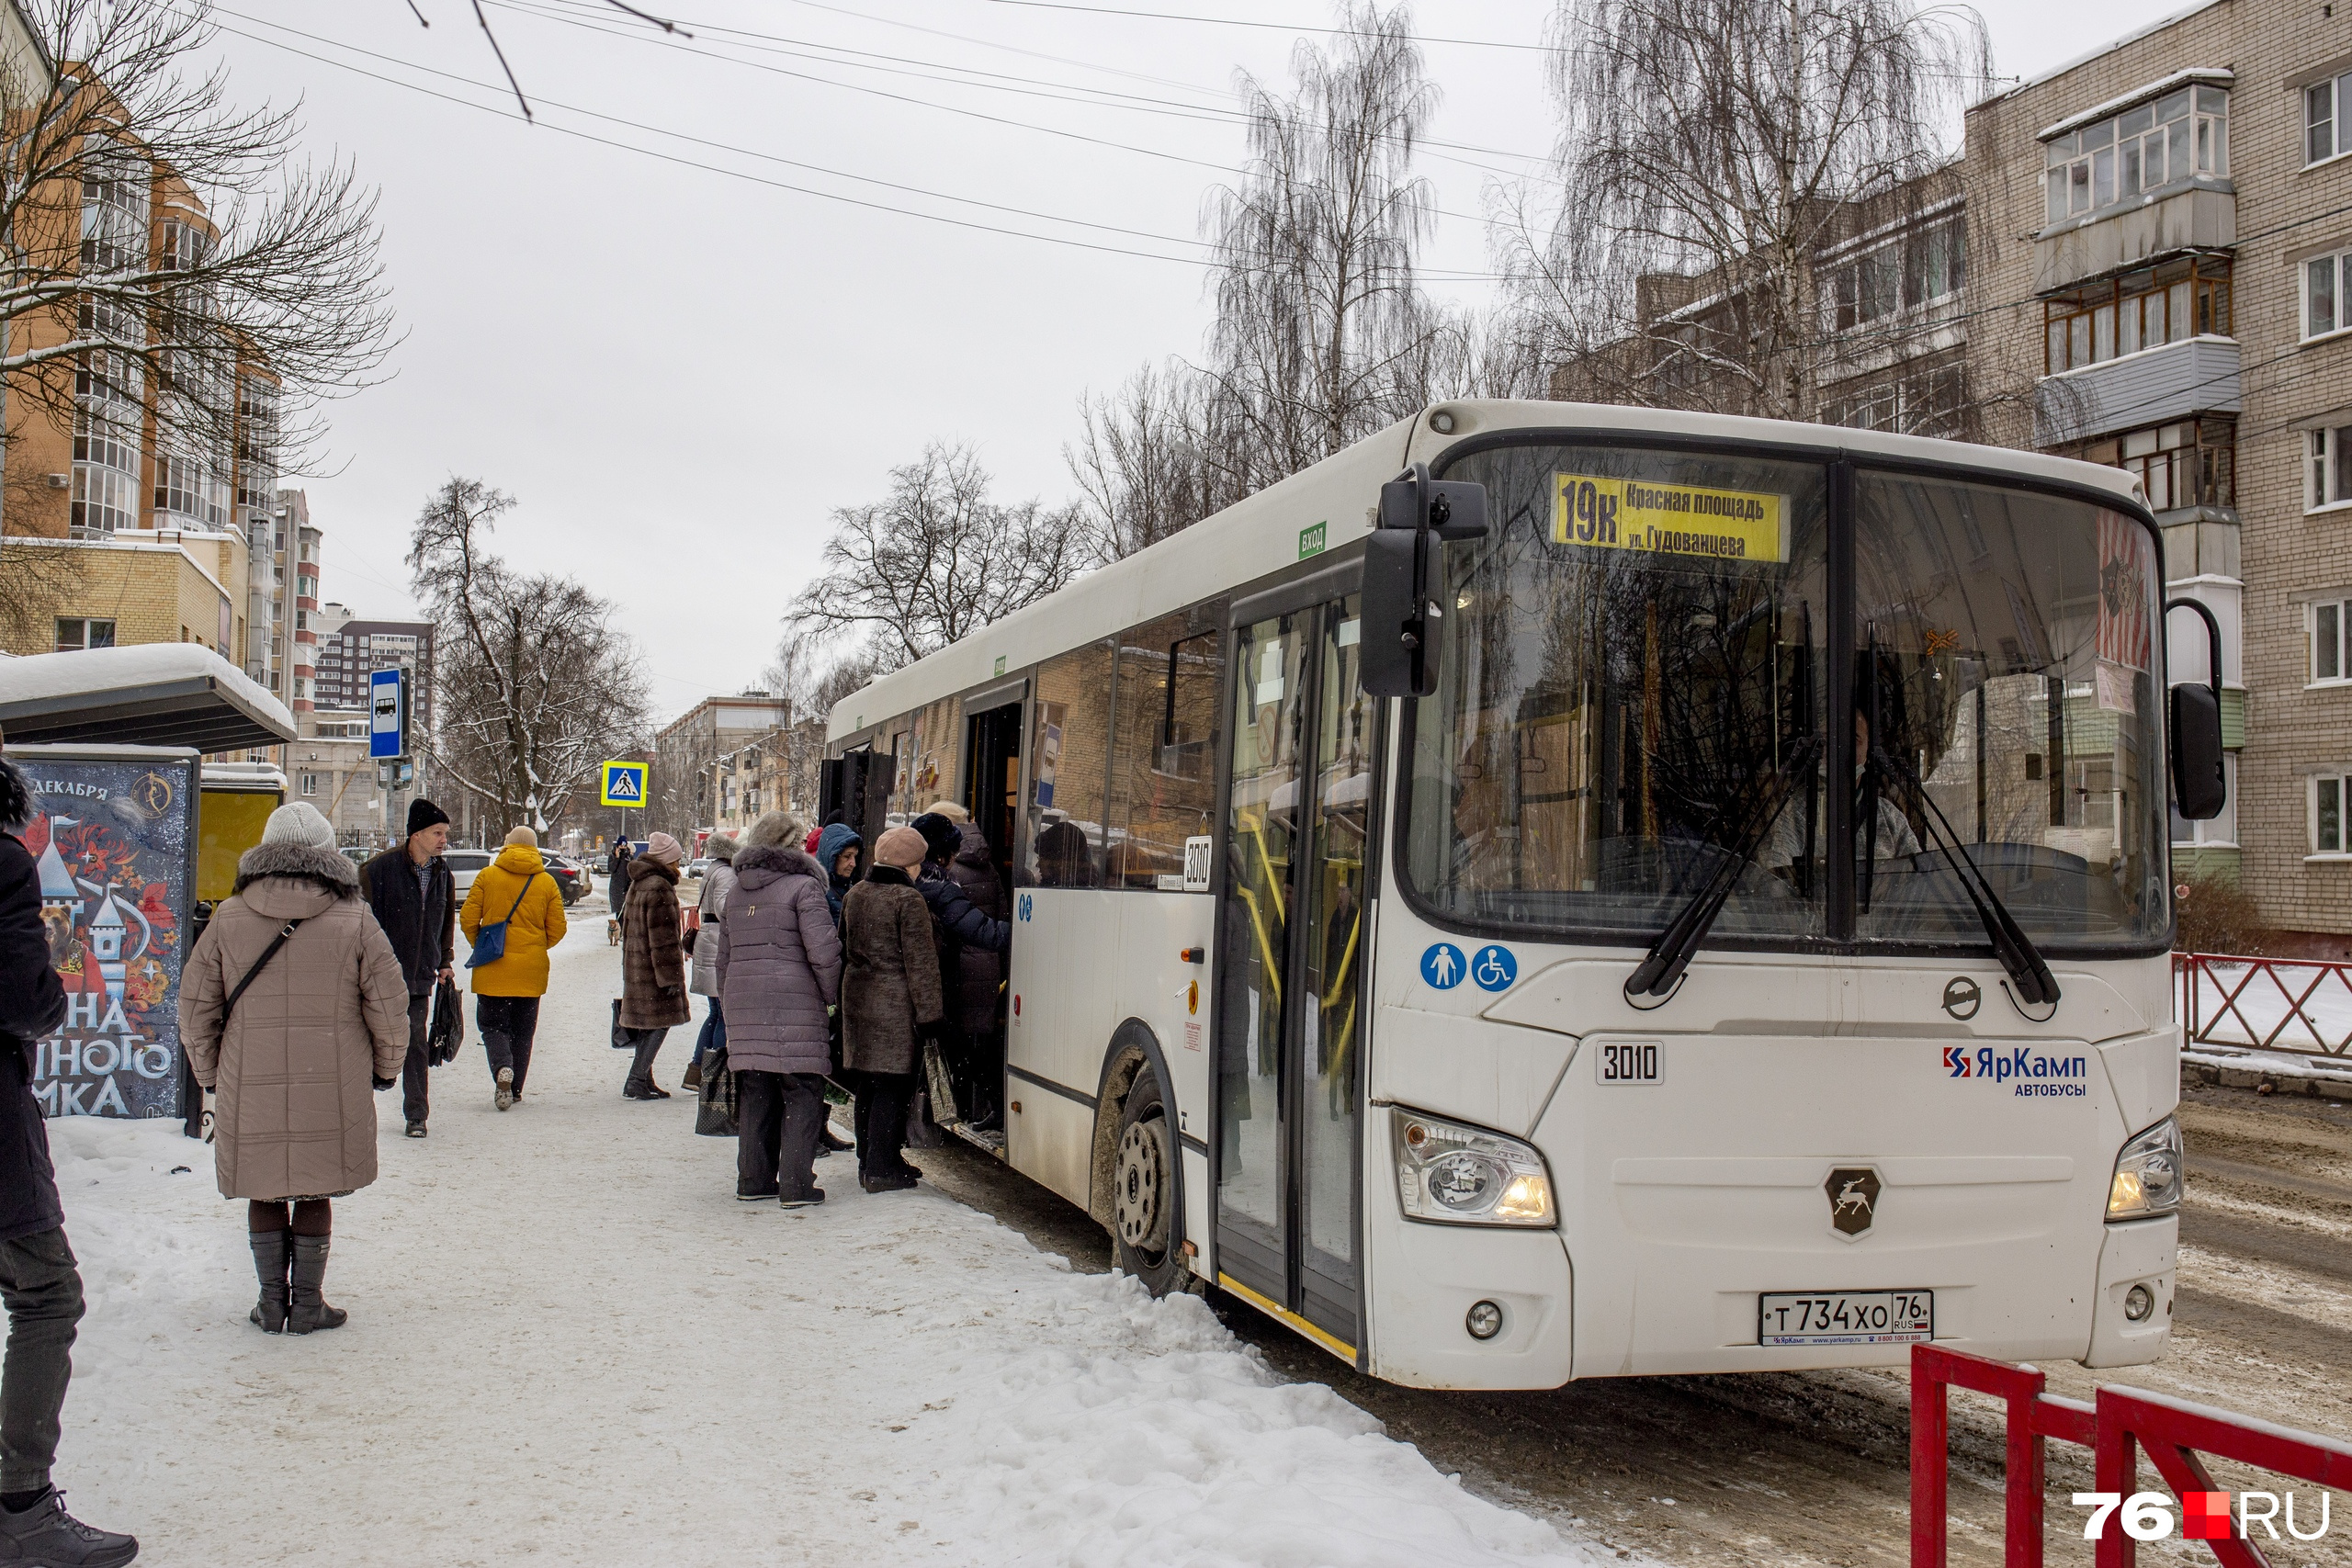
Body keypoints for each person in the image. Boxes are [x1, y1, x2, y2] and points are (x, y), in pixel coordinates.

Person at [180, 802, 409, 1341]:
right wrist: (385, 1068)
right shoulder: (355, 918)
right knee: (314, 1186)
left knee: (264, 1186)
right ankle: (308, 1305)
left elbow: (195, 1012)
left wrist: (213, 1075)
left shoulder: (228, 917)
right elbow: (390, 1007)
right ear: (329, 854)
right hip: (332, 1076)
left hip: (248, 1076)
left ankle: (269, 1304)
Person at [0, 749, 138, 1565]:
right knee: (48, 1293)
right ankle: (20, 1503)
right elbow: (25, 994)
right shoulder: (7, 867)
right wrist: (49, 997)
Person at [714, 813, 842, 1206]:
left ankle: (753, 1180)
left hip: (744, 1002)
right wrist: (831, 997)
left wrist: (731, 1004)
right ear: (788, 847)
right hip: (795, 1002)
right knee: (801, 1087)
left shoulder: (736, 892)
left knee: (756, 1088)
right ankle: (796, 1186)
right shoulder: (804, 888)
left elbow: (724, 960)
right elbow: (823, 953)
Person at [839, 826, 945, 1192]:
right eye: (919, 863)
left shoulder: (856, 893)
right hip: (893, 1005)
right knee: (892, 1083)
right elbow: (921, 964)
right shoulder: (908, 900)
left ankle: (870, 1159)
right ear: (910, 864)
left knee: (868, 1081)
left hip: (858, 999)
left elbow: (843, 945)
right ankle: (882, 1168)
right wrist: (931, 1015)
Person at [907, 812, 1010, 1131]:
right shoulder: (956, 878)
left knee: (958, 1046)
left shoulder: (924, 881)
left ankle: (943, 1114)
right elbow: (989, 923)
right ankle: (982, 1106)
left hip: (952, 974)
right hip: (973, 970)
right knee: (972, 1045)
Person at [359, 799, 456, 1138]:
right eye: (437, 833)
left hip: (419, 976)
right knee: (366, 1042)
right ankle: (358, 1111)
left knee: (416, 1042)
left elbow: (445, 921)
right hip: (376, 977)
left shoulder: (443, 873)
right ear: (416, 835)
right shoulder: (377, 871)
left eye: (446, 833)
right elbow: (360, 923)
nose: (444, 840)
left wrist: (444, 961)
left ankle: (417, 1114)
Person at [459, 826, 567, 1111]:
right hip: (530, 971)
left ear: (506, 846)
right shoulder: (546, 882)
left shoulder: (488, 876)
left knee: (493, 1026)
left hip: (493, 967)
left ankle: (502, 1068)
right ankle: (515, 1089)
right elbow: (558, 928)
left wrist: (484, 945)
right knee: (522, 1031)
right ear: (535, 849)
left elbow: (468, 919)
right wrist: (536, 946)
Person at [617, 831, 689, 1100]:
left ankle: (645, 1079)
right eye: (677, 861)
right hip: (656, 969)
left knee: (648, 1024)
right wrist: (670, 978)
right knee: (659, 1023)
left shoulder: (640, 882)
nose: (679, 866)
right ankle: (636, 1079)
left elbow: (629, 927)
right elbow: (665, 940)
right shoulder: (660, 887)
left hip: (639, 964)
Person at [683, 832, 739, 1093]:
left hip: (708, 939)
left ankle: (696, 1071)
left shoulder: (713, 869)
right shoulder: (726, 873)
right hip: (718, 942)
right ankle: (713, 1075)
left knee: (716, 1013)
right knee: (722, 1016)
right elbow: (725, 909)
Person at [816, 822, 863, 927]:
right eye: (847, 856)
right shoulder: (816, 891)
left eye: (855, 856)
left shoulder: (849, 887)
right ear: (832, 858)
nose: (853, 864)